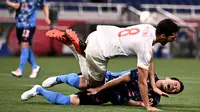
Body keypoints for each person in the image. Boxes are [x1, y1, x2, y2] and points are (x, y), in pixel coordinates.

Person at [45, 19, 179, 110]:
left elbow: (150, 58)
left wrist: (154, 86)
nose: (174, 38)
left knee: (89, 76)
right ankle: (74, 47)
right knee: (94, 84)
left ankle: (81, 49)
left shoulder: (149, 29)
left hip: (97, 35)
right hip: (99, 51)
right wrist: (147, 106)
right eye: (173, 36)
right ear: (162, 35)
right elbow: (142, 82)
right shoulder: (144, 47)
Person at [21, 68, 184, 107]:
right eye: (175, 84)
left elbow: (134, 103)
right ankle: (59, 78)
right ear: (168, 78)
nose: (173, 87)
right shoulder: (147, 73)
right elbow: (122, 79)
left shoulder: (155, 99)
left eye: (175, 90)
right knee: (80, 82)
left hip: (107, 98)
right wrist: (100, 88)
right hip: (107, 80)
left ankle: (38, 90)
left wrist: (139, 104)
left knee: (68, 102)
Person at [6, 0, 51, 78]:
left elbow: (45, 5)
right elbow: (15, 7)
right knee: (26, 47)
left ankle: (20, 70)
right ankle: (34, 66)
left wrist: (47, 17)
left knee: (24, 45)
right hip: (19, 25)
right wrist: (11, 5)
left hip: (29, 25)